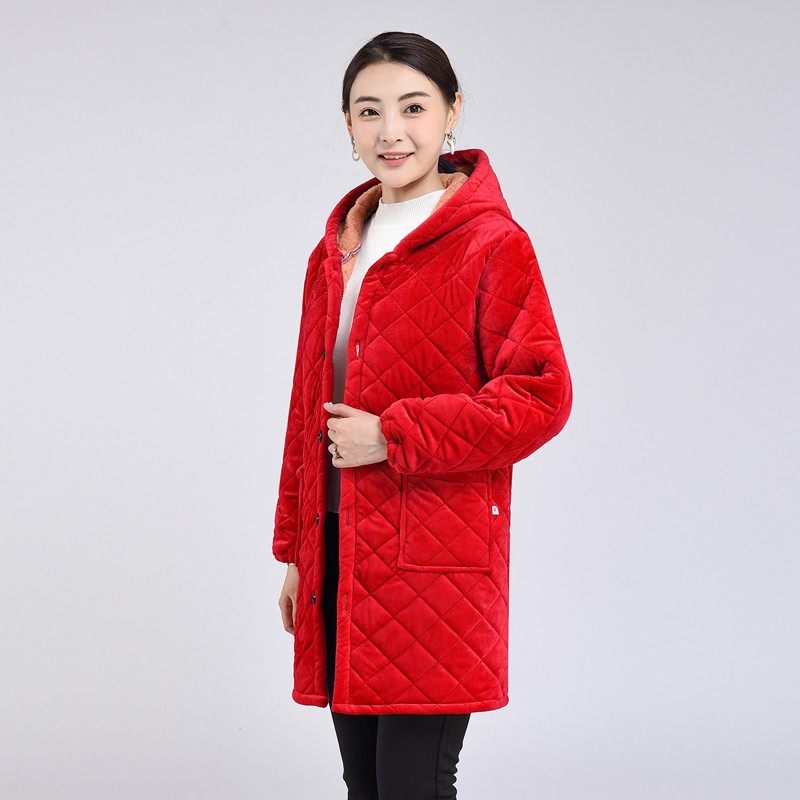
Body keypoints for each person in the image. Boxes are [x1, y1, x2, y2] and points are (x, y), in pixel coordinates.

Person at [274, 31, 573, 800]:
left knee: (412, 782)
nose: (391, 131)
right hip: (338, 549)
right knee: (364, 783)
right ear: (348, 125)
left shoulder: (492, 244)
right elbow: (306, 410)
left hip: (435, 557)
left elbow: (541, 396)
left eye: (413, 107)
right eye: (369, 111)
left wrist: (394, 434)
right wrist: (297, 549)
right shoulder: (336, 250)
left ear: (452, 113)